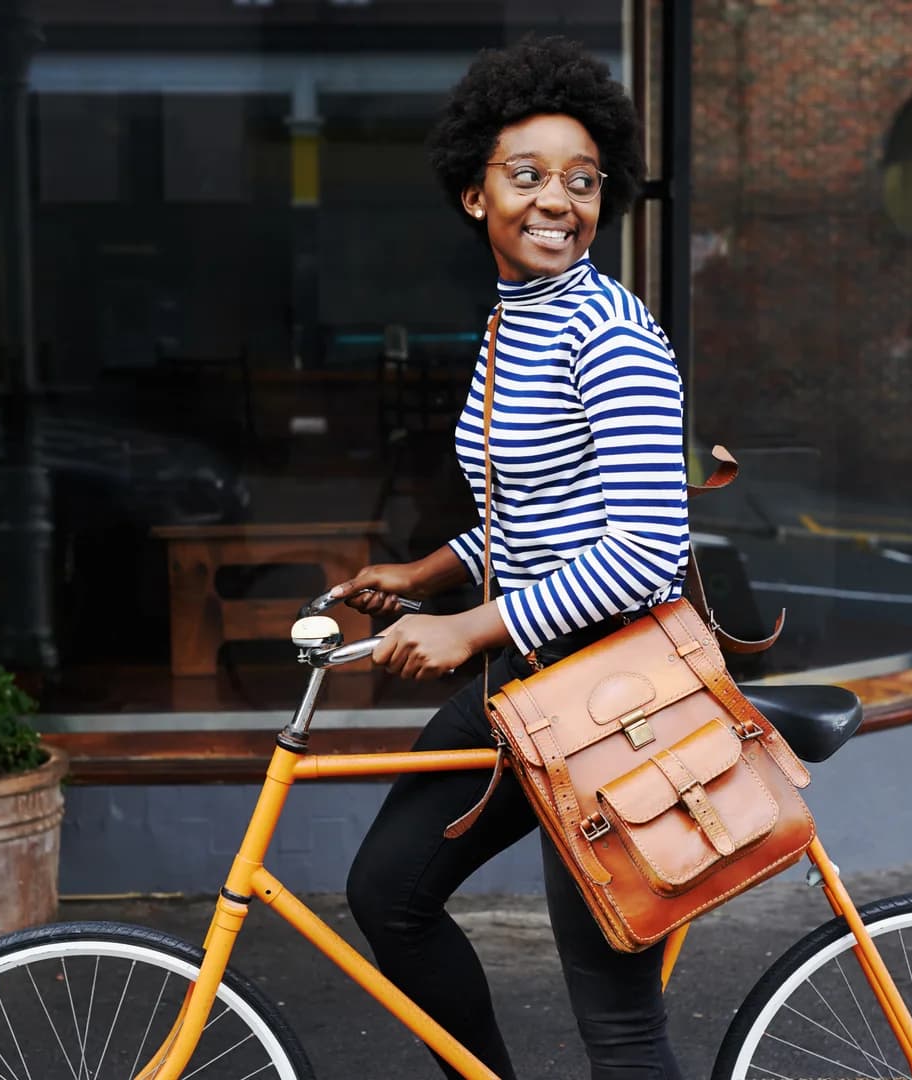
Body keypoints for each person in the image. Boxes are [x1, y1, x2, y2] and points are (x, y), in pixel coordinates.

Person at [329, 36, 690, 1080]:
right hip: (524, 676)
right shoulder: (513, 324)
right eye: (525, 175)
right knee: (388, 894)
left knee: (617, 1019)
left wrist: (465, 627)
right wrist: (425, 575)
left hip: (613, 696)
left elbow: (641, 553)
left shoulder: (607, 333)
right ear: (472, 194)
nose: (556, 202)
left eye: (581, 181)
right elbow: (540, 514)